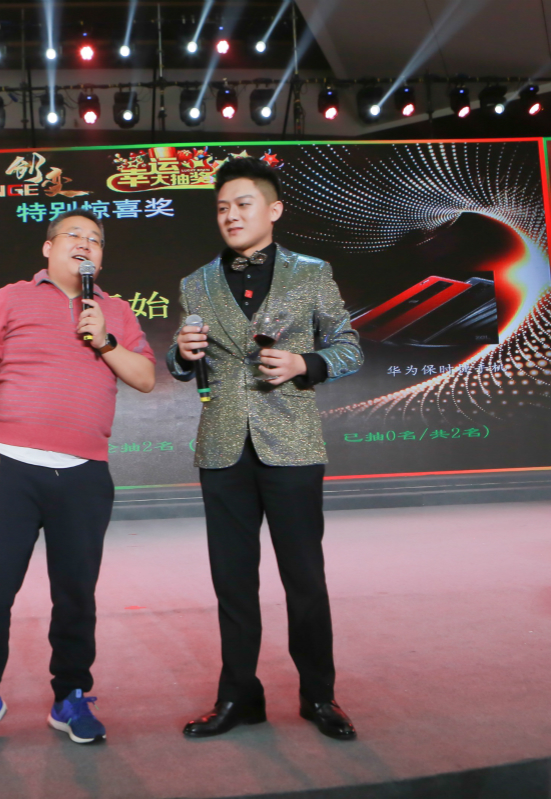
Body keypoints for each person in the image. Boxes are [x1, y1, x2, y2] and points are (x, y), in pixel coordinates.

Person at [0, 209, 155, 754]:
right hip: (8, 468)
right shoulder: (12, 297)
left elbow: (145, 377)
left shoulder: (115, 310)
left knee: (76, 595)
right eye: (74, 236)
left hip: (84, 473)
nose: (85, 245)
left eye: (95, 240)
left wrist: (105, 341)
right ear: (48, 247)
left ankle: (71, 696)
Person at [168, 157, 363, 740]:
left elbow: (350, 346)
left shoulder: (312, 272)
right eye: (222, 208)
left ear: (273, 210)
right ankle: (239, 697)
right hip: (222, 448)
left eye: (243, 204)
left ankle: (319, 695)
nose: (231, 215)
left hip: (293, 444)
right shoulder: (196, 282)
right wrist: (181, 354)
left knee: (304, 579)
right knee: (232, 582)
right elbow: (182, 364)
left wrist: (306, 363)